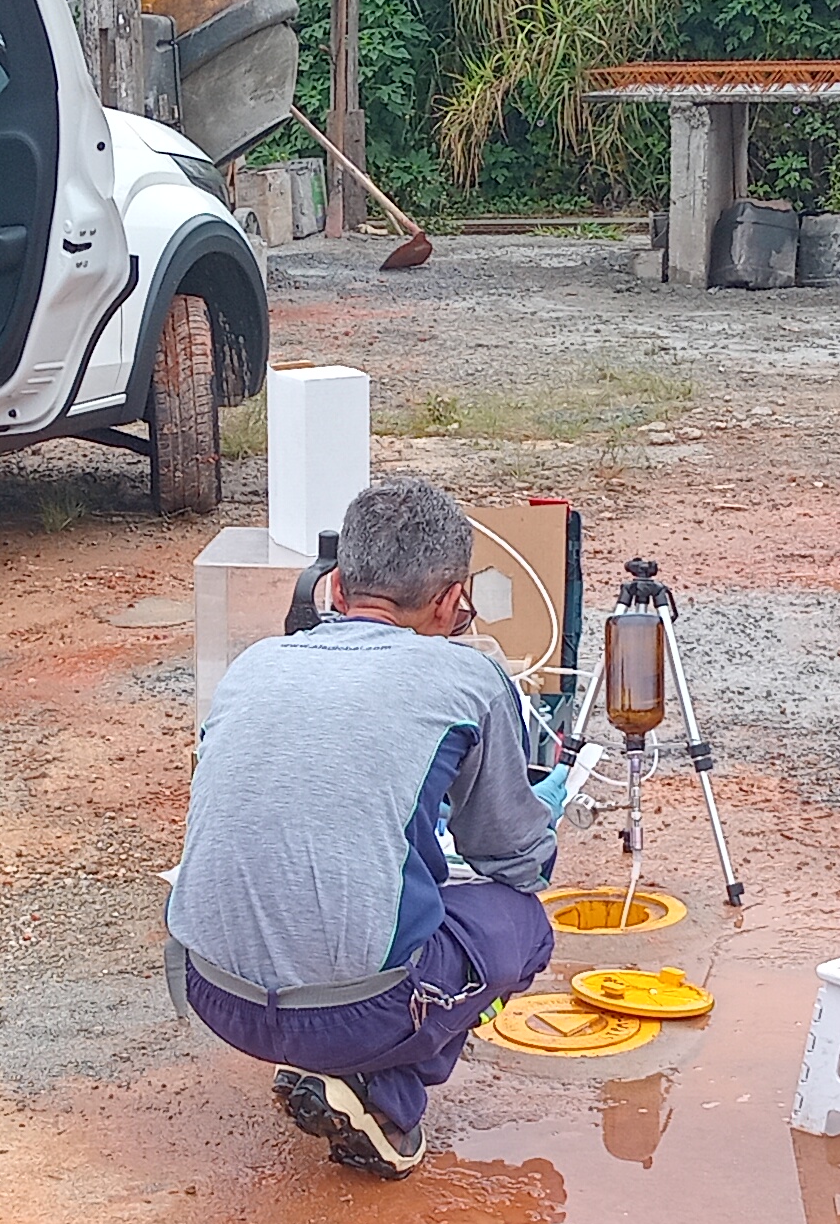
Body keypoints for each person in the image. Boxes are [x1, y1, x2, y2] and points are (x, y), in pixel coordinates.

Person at [168, 475, 558, 1177]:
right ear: (449, 601)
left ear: (338, 588)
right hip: (353, 1010)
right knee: (521, 926)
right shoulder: (467, 681)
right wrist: (542, 810)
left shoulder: (255, 665)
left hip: (212, 990)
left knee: (390, 896)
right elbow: (512, 857)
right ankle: (386, 1095)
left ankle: (344, 1068)